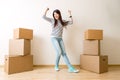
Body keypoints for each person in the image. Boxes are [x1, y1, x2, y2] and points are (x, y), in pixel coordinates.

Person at [42, 8, 79, 73]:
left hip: (60, 39)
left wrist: (70, 14)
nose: (55, 15)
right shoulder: (52, 20)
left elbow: (71, 22)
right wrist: (46, 10)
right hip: (53, 38)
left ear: (59, 14)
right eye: (54, 14)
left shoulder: (62, 21)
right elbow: (43, 17)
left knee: (64, 53)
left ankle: (70, 68)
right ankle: (56, 66)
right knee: (59, 52)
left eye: (57, 14)